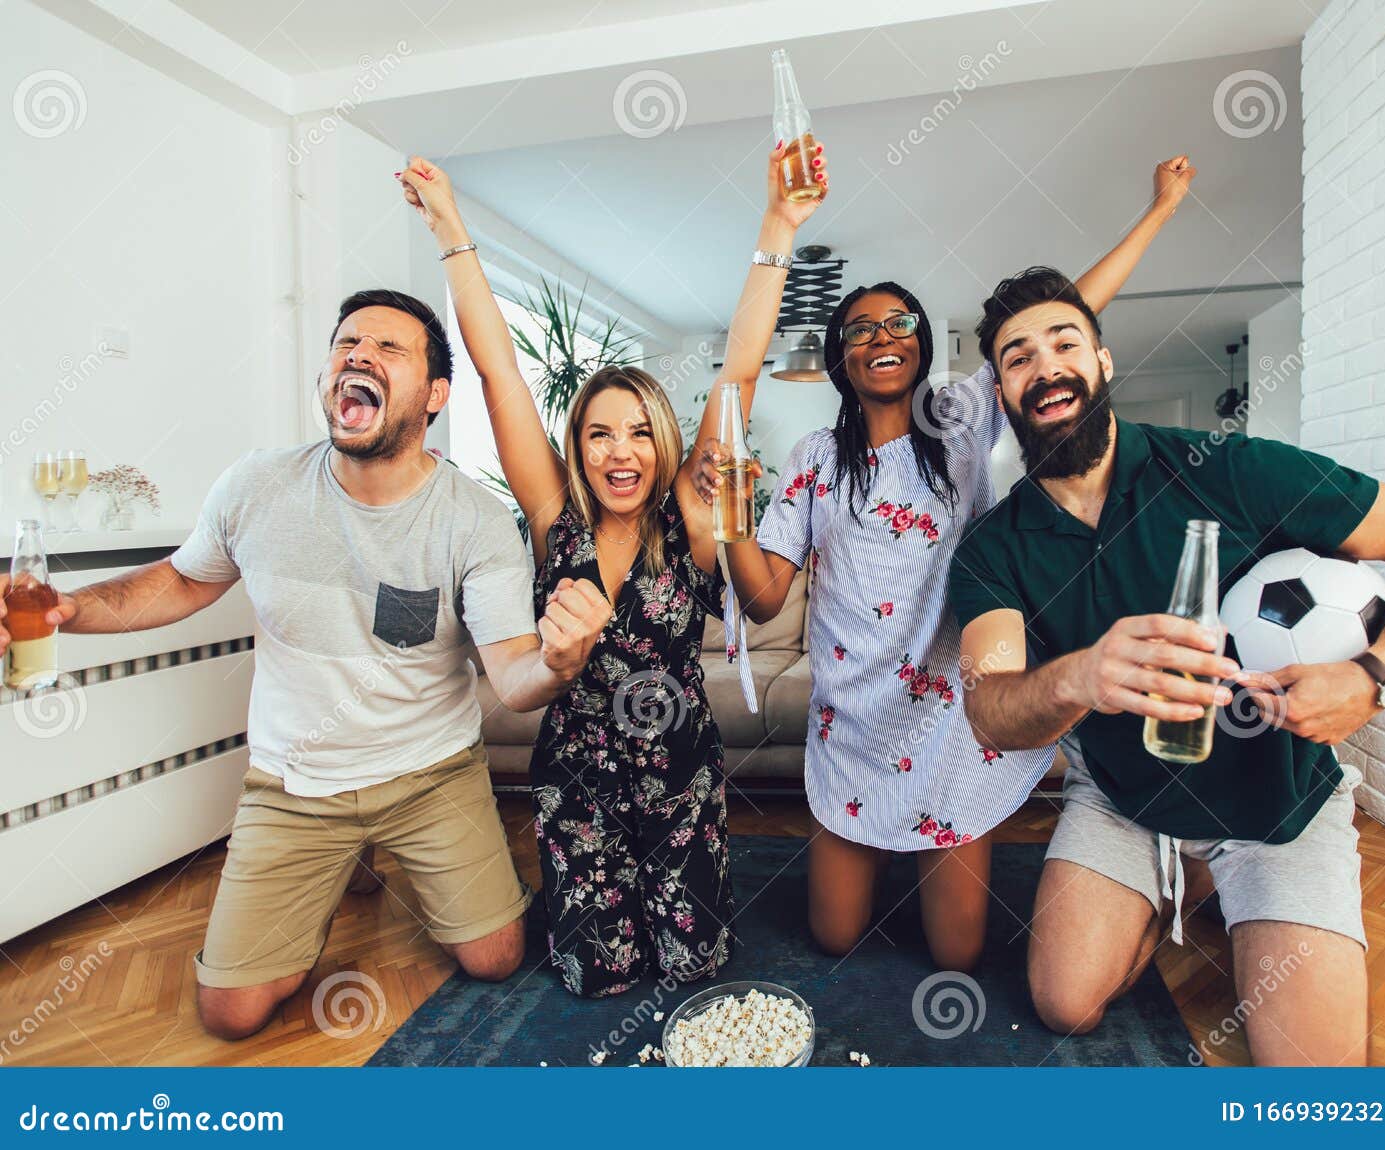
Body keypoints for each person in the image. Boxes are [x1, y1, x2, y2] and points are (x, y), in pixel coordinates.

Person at [0, 288, 613, 1040]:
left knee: (494, 956)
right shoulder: (257, 486)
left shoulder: (475, 519)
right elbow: (185, 579)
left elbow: (514, 677)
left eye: (389, 349)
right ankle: (323, 878)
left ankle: (426, 866)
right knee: (232, 1013)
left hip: (431, 772)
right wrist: (69, 609)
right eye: (347, 343)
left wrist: (558, 663)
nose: (358, 354)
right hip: (295, 782)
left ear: (435, 396)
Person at [950, 266, 1385, 1064]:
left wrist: (1375, 677)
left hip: (1273, 803)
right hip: (1123, 798)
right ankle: (1177, 879)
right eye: (1017, 358)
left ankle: (1211, 875)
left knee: (1311, 1084)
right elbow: (989, 706)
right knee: (1063, 1002)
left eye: (1064, 343)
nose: (1044, 367)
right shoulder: (994, 546)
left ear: (1103, 362)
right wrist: (1081, 675)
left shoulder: (1228, 469)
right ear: (1002, 395)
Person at [707, 151, 1195, 971]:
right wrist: (723, 524)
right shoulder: (813, 456)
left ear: (923, 344)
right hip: (851, 726)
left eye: (899, 323)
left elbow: (1070, 309)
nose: (882, 336)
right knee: (832, 937)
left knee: (958, 954)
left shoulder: (959, 416)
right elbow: (763, 603)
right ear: (842, 359)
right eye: (860, 329)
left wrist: (1162, 210)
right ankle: (875, 861)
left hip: (948, 723)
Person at [396, 148, 827, 996]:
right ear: (578, 447)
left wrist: (778, 224)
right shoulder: (555, 518)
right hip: (578, 778)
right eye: (599, 432)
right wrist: (452, 229)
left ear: (663, 442)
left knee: (691, 969)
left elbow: (737, 372)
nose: (620, 450)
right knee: (599, 976)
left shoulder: (693, 519)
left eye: (638, 431)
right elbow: (499, 374)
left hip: (682, 777)